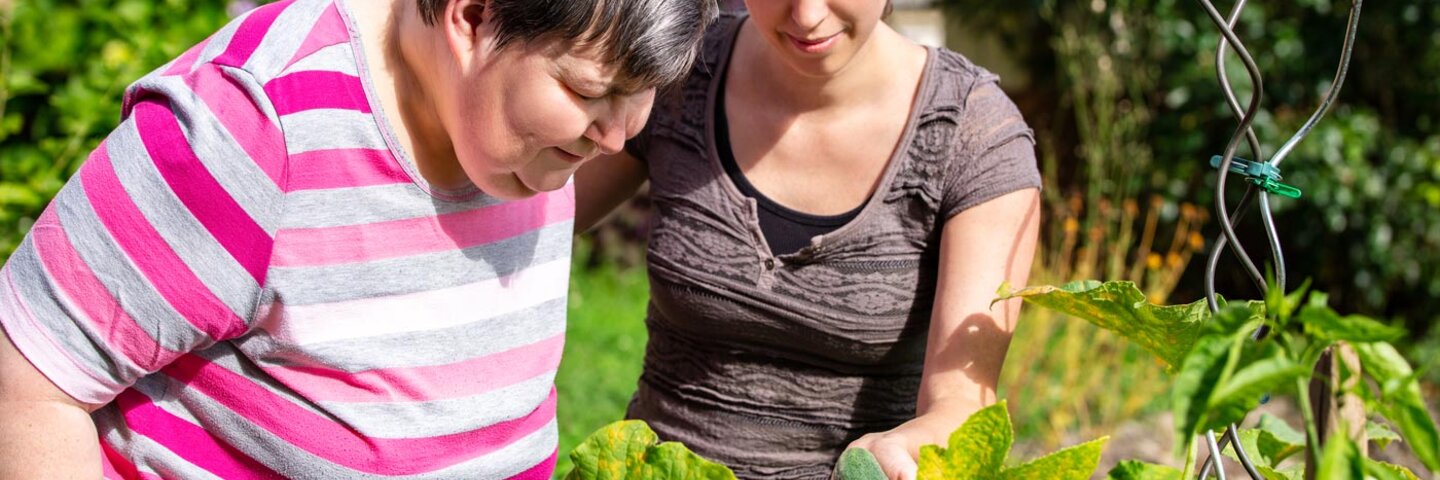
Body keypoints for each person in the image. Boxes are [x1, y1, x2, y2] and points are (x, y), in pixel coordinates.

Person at [0, 0, 714, 477]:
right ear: (472, 16)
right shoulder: (252, 127)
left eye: (640, 90)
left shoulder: (523, 142)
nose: (618, 135)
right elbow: (28, 389)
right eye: (590, 91)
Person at [575, 0, 1041, 478]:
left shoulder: (974, 136)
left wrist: (907, 446)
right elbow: (533, 207)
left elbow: (961, 403)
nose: (807, 16)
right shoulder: (682, 70)